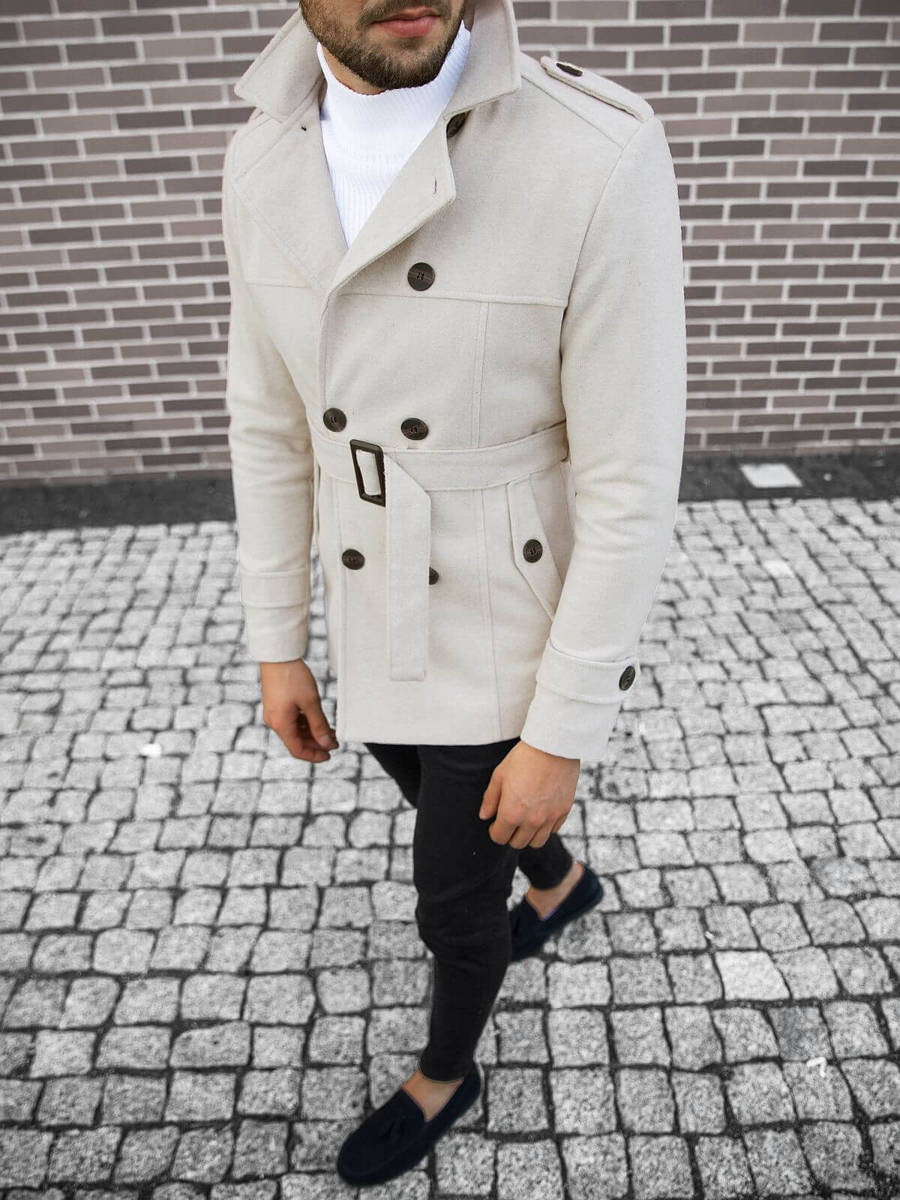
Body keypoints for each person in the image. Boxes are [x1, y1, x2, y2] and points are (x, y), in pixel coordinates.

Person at [222, 0, 686, 1186]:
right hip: (369, 594)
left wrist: (560, 730)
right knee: (422, 776)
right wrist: (280, 642)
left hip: (502, 622)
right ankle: (562, 881)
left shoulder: (595, 150)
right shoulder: (264, 150)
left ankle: (446, 1072)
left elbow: (631, 479)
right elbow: (269, 424)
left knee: (451, 897)